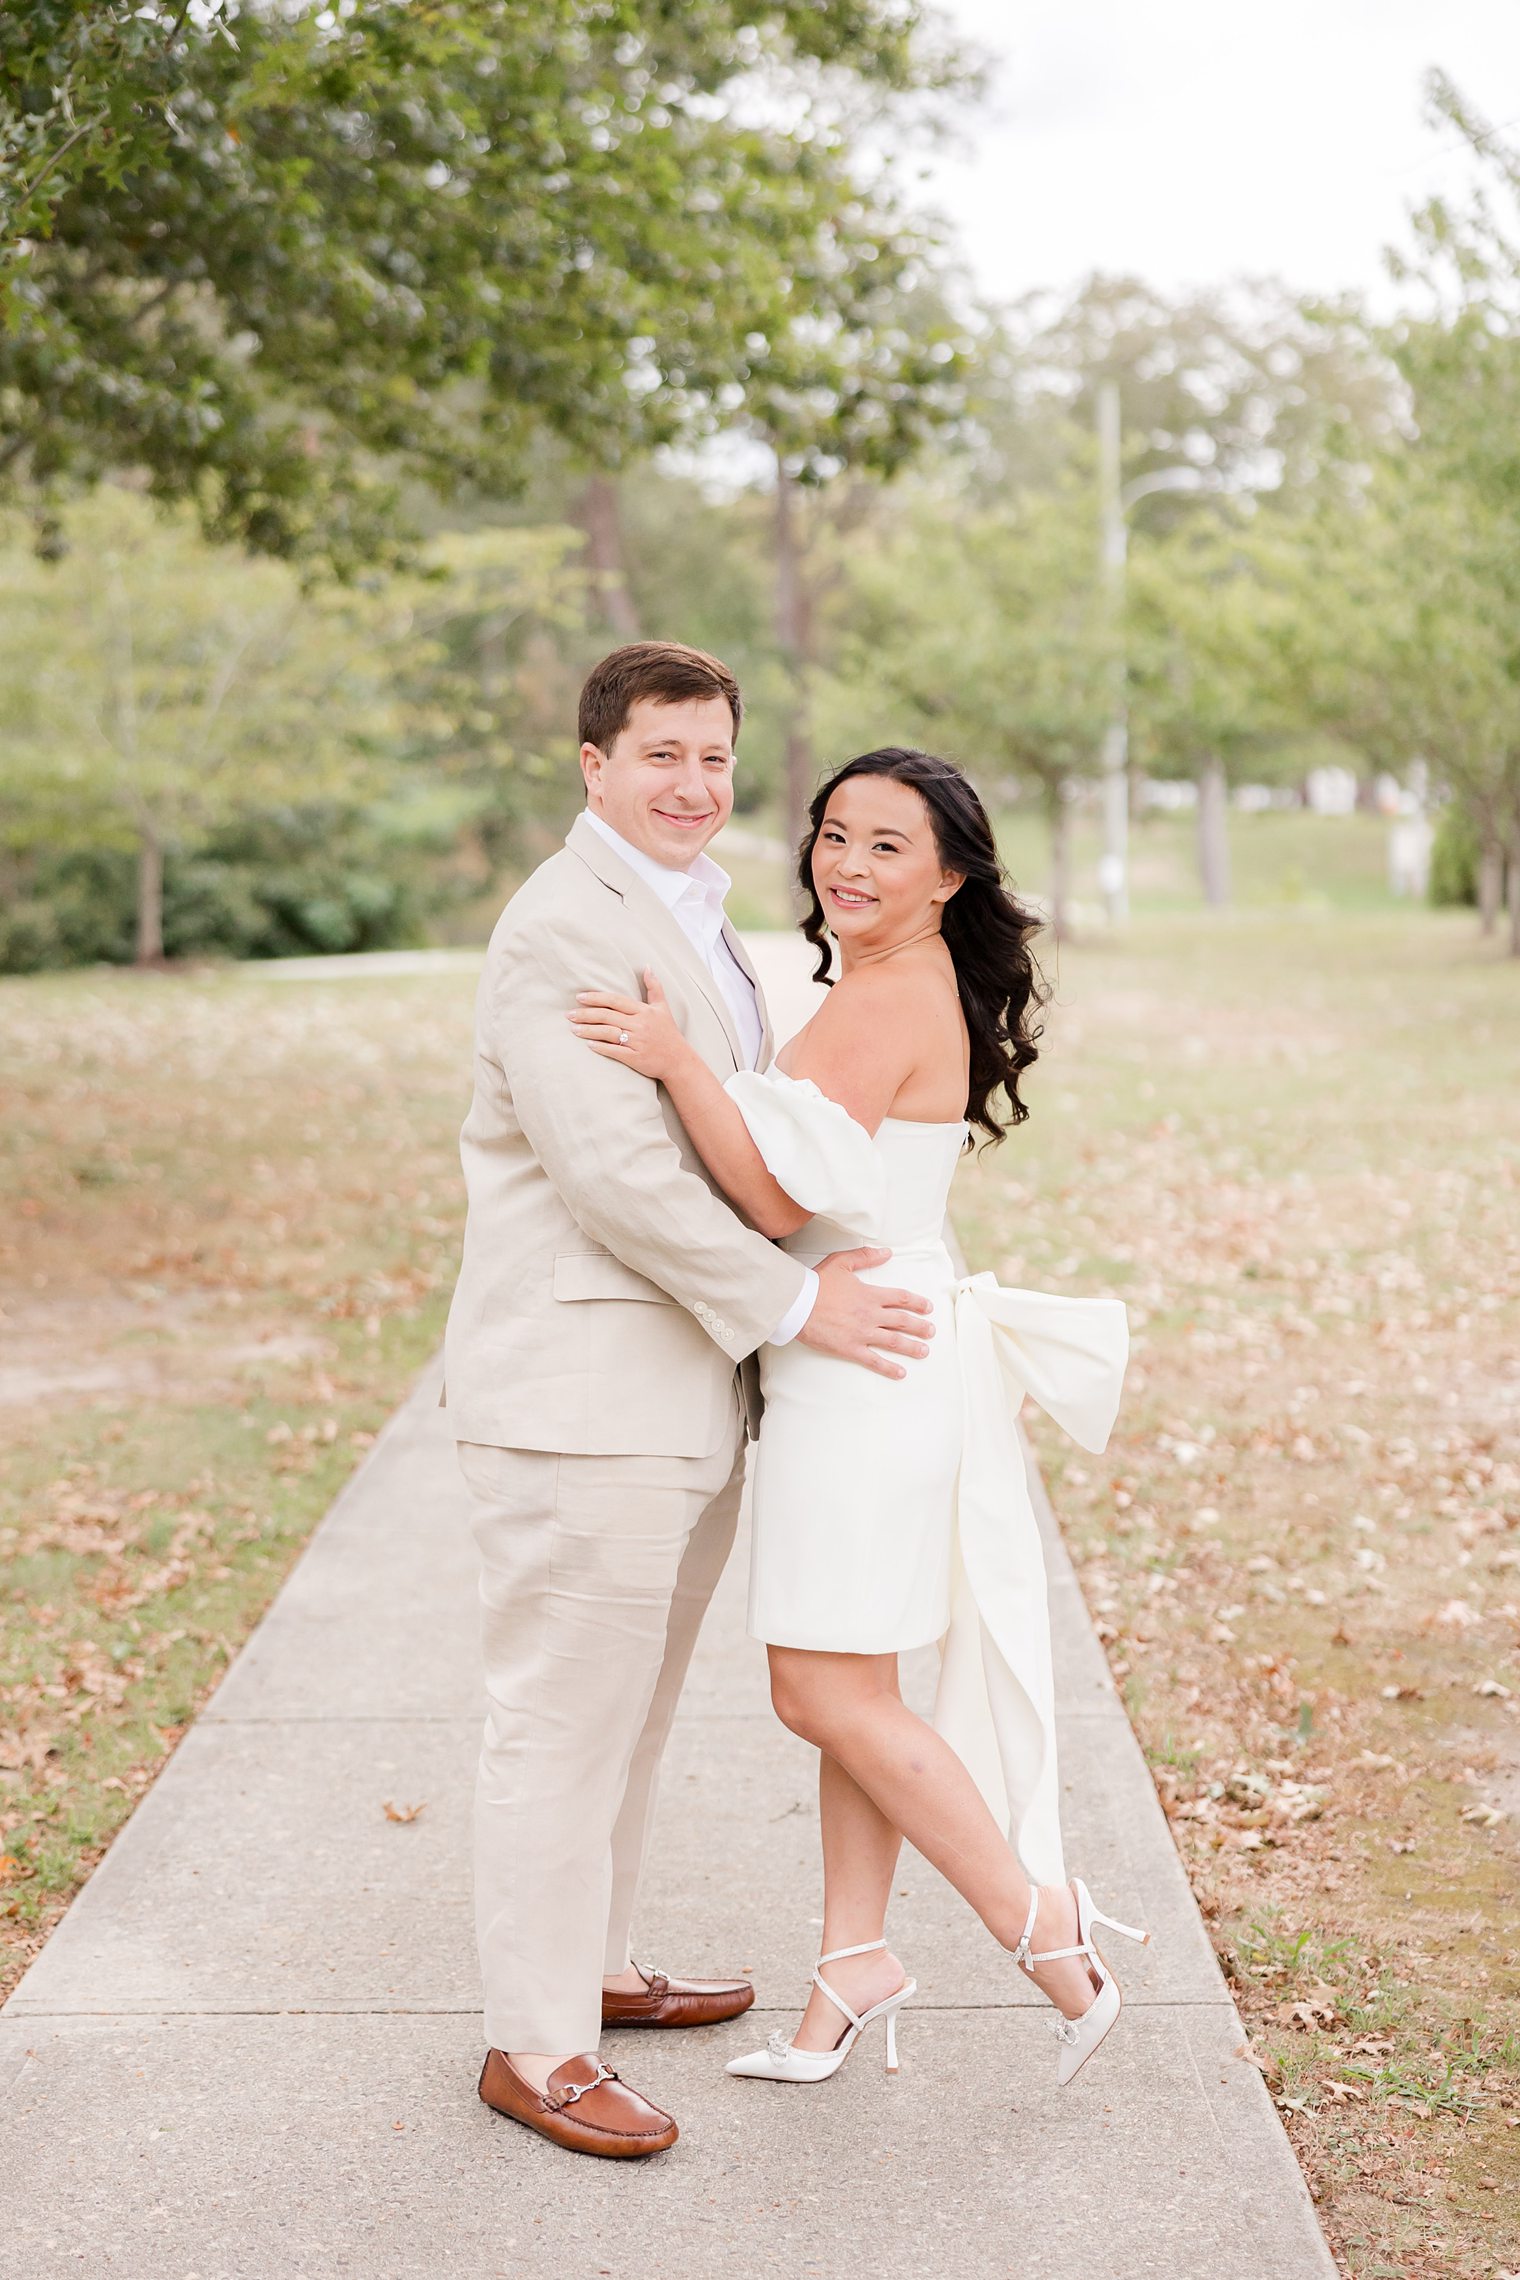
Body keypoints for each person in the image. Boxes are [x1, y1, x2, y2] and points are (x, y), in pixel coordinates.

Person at [570, 746, 1143, 2091]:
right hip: (881, 1352)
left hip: (867, 1366)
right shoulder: (887, 984)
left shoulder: (887, 998)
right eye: (834, 835)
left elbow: (773, 1203)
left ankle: (1047, 1936)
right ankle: (849, 1972)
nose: (848, 865)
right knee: (859, 1681)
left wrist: (670, 1060)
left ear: (948, 878)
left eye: (888, 846)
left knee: (818, 1686)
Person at [442, 646, 936, 2159]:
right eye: (662, 754)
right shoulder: (563, 928)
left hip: (677, 1396)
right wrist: (801, 1304)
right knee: (559, 1721)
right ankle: (534, 2047)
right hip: (584, 1396)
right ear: (592, 764)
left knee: (630, 1720)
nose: (694, 785)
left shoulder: (687, 915)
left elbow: (734, 1134)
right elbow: (613, 1177)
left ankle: (588, 1972)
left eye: (716, 758)